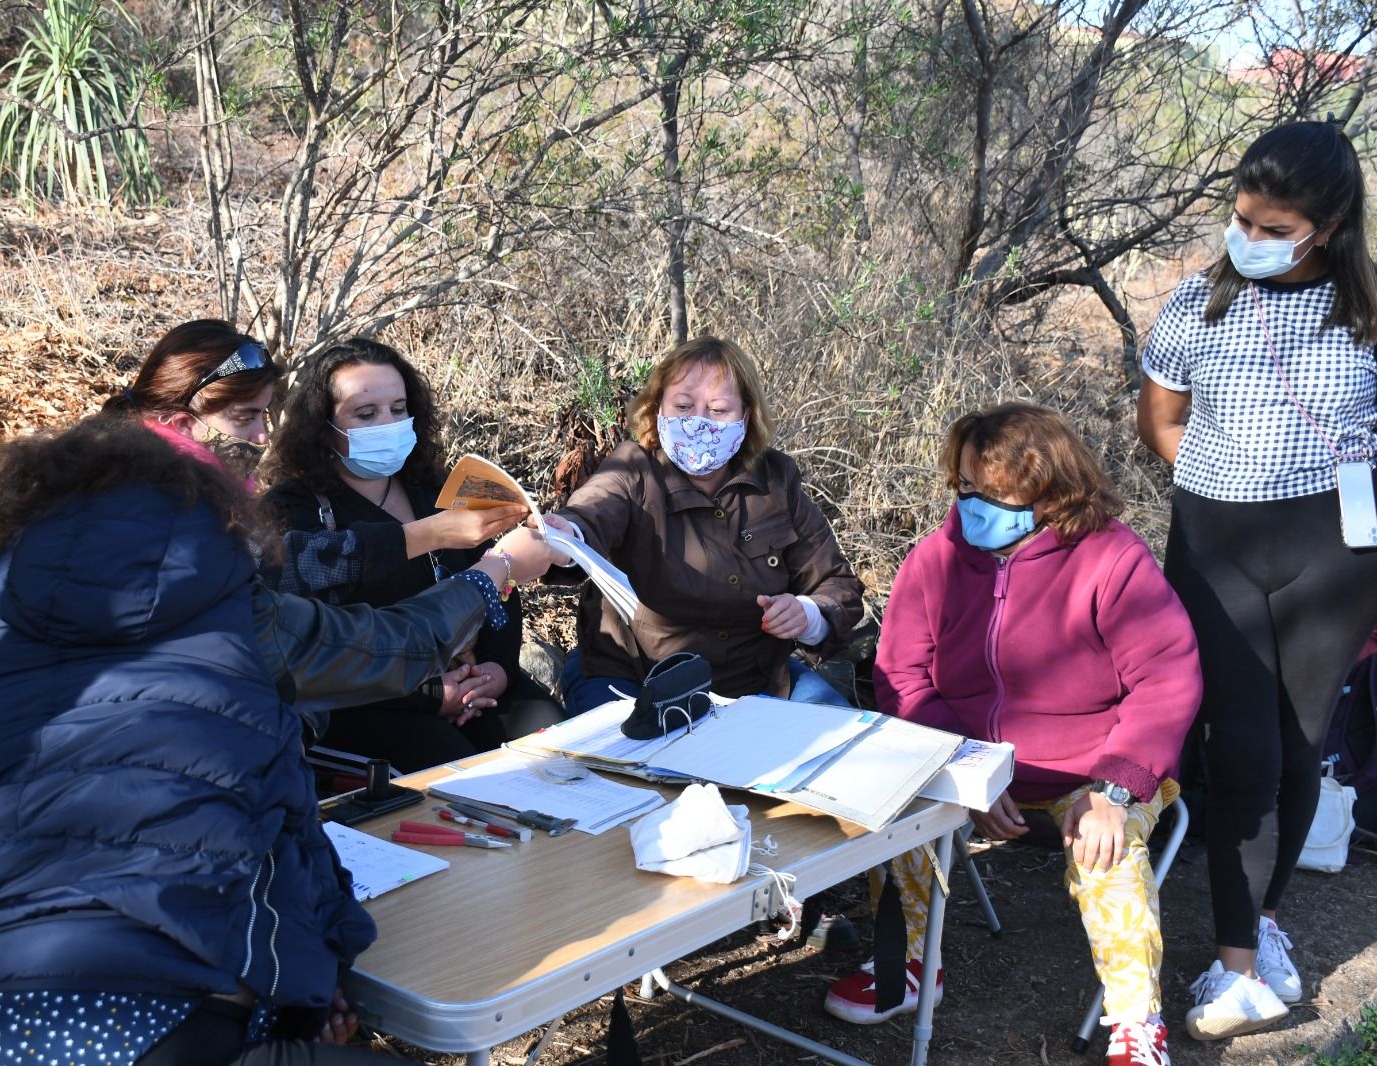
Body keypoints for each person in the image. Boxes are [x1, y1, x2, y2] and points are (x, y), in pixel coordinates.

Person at [0, 416, 555, 1065]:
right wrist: (495, 575)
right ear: (204, 515)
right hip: (126, 1015)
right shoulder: (229, 612)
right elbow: (386, 657)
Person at [826, 404, 1200, 1066]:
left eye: (999, 495)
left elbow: (1167, 680)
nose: (977, 507)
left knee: (1106, 851)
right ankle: (911, 963)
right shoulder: (933, 563)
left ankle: (1136, 1023)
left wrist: (1115, 786)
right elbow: (902, 678)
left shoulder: (1113, 559)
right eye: (967, 490)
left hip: (1096, 769)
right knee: (899, 806)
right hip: (967, 758)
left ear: (1052, 489)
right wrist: (965, 768)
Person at [1136, 120, 1377, 1040]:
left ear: (1331, 225)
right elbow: (1161, 418)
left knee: (1299, 744)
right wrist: (1221, 485)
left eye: (1276, 229)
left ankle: (1260, 926)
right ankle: (1233, 967)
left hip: (1335, 556)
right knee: (1243, 753)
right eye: (1244, 219)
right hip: (1213, 544)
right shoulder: (1200, 303)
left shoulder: (1367, 315)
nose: (1252, 239)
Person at [263, 337, 566, 771]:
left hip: (474, 682)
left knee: (550, 733)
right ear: (323, 425)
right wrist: (428, 695)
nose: (387, 423)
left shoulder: (438, 488)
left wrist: (497, 669)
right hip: (370, 703)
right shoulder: (294, 511)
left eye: (398, 409)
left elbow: (499, 581)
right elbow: (320, 643)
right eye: (366, 414)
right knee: (450, 766)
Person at [549, 335, 863, 713]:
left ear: (746, 416)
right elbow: (592, 510)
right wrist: (566, 536)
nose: (698, 424)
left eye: (717, 410)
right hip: (633, 678)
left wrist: (808, 613)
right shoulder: (633, 468)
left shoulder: (777, 479)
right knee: (636, 770)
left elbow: (836, 585)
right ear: (657, 408)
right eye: (683, 406)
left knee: (843, 745)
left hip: (756, 682)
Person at [103, 319, 523, 601]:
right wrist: (475, 560)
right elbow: (288, 571)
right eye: (245, 417)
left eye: (399, 407)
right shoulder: (135, 511)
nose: (262, 435)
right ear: (179, 424)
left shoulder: (192, 495)